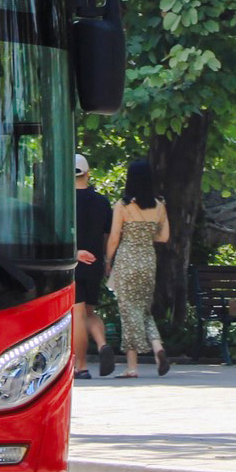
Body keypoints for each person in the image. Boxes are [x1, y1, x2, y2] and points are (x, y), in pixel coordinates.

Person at [103, 161, 171, 377]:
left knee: (128, 311)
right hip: (148, 260)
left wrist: (107, 260)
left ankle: (132, 367)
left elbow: (114, 238)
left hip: (127, 259)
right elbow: (164, 237)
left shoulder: (122, 206)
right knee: (143, 310)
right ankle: (158, 347)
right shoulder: (159, 205)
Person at [72, 154, 114, 378]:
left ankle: (82, 366)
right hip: (96, 263)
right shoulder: (102, 202)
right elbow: (107, 234)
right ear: (88, 174)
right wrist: (106, 261)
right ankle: (101, 344)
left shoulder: (64, 202)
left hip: (72, 263)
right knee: (89, 311)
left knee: (77, 315)